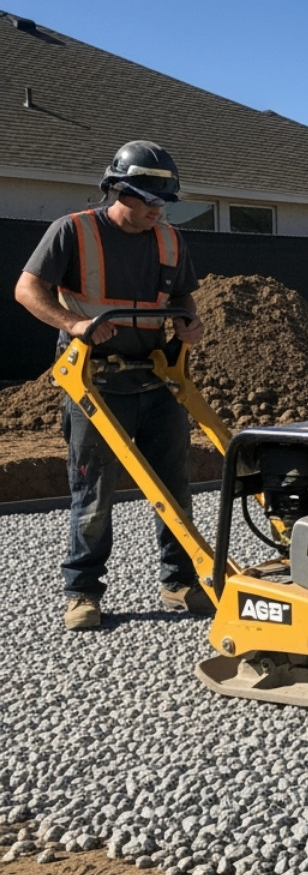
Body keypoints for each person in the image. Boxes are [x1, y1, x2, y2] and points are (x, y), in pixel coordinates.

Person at [14, 139, 212, 630]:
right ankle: (83, 592)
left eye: (164, 202)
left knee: (174, 488)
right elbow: (26, 289)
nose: (158, 210)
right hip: (94, 383)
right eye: (149, 200)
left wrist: (189, 321)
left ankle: (179, 582)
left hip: (157, 378)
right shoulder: (73, 231)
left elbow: (183, 293)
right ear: (119, 191)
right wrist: (75, 324)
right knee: (93, 494)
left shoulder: (169, 239)